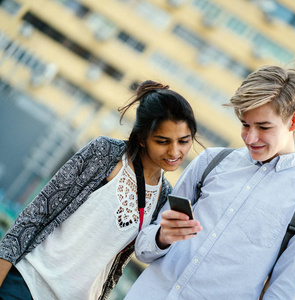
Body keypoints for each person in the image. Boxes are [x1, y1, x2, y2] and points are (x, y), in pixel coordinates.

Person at [124, 65, 295, 300]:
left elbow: (287, 295)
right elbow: (143, 248)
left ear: (293, 121)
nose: (250, 137)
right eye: (245, 125)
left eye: (263, 127)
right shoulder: (211, 162)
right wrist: (163, 237)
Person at [0, 80, 201, 300]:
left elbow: (124, 262)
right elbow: (37, 213)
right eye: (162, 141)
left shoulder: (163, 196)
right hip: (27, 284)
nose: (175, 151)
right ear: (142, 138)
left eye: (183, 141)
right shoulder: (106, 154)